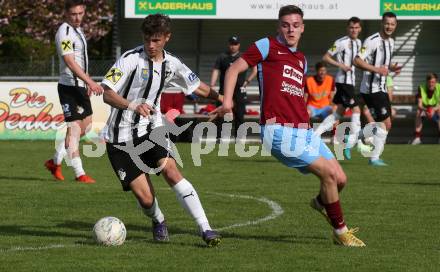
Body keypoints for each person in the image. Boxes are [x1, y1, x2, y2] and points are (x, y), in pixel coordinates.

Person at [213, 5, 365, 247]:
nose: (290, 29)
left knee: (340, 179)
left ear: (302, 28)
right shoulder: (266, 46)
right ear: (278, 27)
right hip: (278, 131)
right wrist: (228, 101)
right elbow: (233, 69)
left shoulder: (302, 60)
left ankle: (320, 202)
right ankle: (341, 232)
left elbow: (295, 96)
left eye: (295, 25)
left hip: (304, 130)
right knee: (327, 174)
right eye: (285, 25)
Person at [100, 14, 222, 247]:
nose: (150, 45)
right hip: (120, 138)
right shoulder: (129, 60)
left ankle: (206, 228)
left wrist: (222, 98)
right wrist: (132, 105)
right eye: (147, 39)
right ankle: (158, 220)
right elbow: (107, 93)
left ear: (167, 38)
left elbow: (198, 86)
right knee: (145, 198)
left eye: (156, 40)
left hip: (151, 130)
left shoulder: (172, 63)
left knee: (171, 171)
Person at [45, 0, 103, 183]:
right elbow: (70, 62)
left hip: (80, 86)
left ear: (84, 12)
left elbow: (81, 60)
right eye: (73, 14)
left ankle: (55, 161)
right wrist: (91, 82)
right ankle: (79, 173)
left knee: (85, 126)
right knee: (75, 130)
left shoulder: (78, 30)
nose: (77, 17)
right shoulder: (65, 32)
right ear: (66, 14)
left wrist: (86, 82)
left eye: (80, 13)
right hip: (68, 87)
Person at [316, 16, 370, 159]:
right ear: (348, 28)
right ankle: (353, 143)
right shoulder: (341, 42)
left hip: (350, 83)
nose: (354, 30)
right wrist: (341, 65)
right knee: (357, 109)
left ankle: (314, 136)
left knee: (338, 113)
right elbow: (326, 57)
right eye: (351, 27)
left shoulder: (359, 42)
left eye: (357, 27)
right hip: (343, 82)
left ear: (360, 29)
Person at [354, 11, 401, 166]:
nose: (389, 26)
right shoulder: (372, 40)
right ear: (382, 23)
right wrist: (376, 70)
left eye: (392, 24)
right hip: (370, 89)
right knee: (385, 124)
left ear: (396, 26)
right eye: (387, 23)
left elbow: (384, 65)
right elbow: (357, 60)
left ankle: (354, 138)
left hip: (381, 88)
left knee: (386, 124)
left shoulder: (391, 41)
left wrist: (391, 68)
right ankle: (373, 158)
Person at [210, 36, 257, 139]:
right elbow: (216, 70)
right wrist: (212, 84)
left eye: (235, 44)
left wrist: (247, 81)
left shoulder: (243, 57)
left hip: (239, 89)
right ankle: (219, 138)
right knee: (221, 113)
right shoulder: (222, 57)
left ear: (239, 45)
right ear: (228, 44)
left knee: (239, 114)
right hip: (225, 89)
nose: (233, 46)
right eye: (231, 44)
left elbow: (255, 69)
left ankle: (239, 138)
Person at [411, 73, 440, 145]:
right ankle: (417, 138)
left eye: (433, 82)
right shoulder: (421, 88)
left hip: (436, 108)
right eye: (429, 82)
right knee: (418, 112)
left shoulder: (439, 88)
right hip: (424, 108)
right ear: (427, 82)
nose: (431, 84)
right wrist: (427, 110)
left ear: (436, 82)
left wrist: (433, 109)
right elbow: (419, 105)